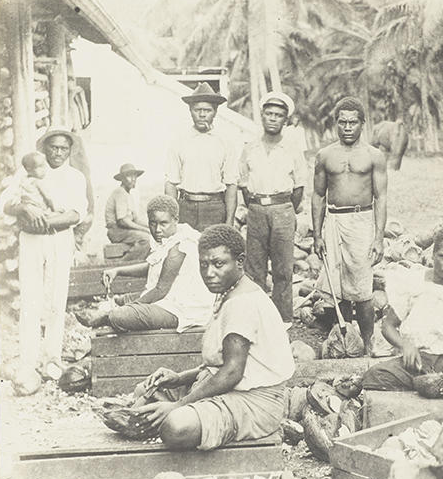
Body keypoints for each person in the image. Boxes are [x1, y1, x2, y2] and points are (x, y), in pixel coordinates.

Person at [129, 224, 296, 450]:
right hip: (232, 389)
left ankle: (179, 416)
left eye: (219, 264)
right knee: (144, 392)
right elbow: (221, 364)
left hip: (255, 403)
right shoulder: (228, 291)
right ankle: (173, 412)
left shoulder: (241, 303)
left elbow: (232, 372)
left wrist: (178, 405)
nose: (209, 273)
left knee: (175, 427)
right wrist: (179, 378)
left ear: (240, 261)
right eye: (203, 264)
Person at [0, 126, 88, 379]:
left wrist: (48, 220)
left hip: (58, 239)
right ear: (44, 148)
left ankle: (52, 359)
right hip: (31, 240)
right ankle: (28, 360)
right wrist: (25, 208)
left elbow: (77, 213)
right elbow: (3, 204)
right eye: (53, 147)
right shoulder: (26, 173)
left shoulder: (75, 176)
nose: (58, 153)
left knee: (56, 299)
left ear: (70, 150)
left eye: (63, 148)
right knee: (30, 297)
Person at [361, 226, 443, 400]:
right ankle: (429, 383)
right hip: (419, 359)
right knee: (373, 376)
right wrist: (405, 345)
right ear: (433, 254)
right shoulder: (412, 283)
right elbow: (388, 326)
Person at [312, 97, 388, 356]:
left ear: (362, 124)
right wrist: (317, 234)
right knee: (340, 288)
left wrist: (379, 237)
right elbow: (318, 195)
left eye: (352, 122)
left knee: (363, 288)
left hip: (361, 220)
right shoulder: (325, 155)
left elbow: (381, 198)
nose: (347, 127)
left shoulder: (373, 156)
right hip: (334, 220)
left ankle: (368, 343)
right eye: (342, 122)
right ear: (336, 123)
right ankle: (346, 342)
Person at [75, 195, 214, 333]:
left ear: (175, 220)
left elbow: (160, 290)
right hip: (169, 297)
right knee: (123, 299)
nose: (158, 229)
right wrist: (117, 271)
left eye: (163, 223)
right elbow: (154, 266)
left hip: (182, 308)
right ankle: (111, 308)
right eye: (153, 223)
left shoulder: (179, 245)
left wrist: (127, 309)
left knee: (120, 315)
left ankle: (107, 317)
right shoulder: (167, 237)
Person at [239, 92, 307, 326]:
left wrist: (284, 207)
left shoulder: (292, 150)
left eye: (278, 115)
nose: (273, 119)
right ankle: (257, 319)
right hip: (257, 210)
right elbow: (243, 184)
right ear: (262, 117)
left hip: (283, 210)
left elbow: (299, 187)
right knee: (255, 267)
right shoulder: (250, 148)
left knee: (282, 268)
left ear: (285, 122)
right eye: (269, 114)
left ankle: (282, 320)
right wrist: (258, 206)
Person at [164, 82, 239, 231]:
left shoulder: (225, 143)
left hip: (215, 208)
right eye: (198, 110)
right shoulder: (179, 142)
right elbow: (171, 184)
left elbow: (231, 185)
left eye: (207, 110)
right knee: (185, 250)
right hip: (185, 208)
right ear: (190, 111)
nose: (202, 114)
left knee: (214, 252)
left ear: (215, 112)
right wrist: (172, 217)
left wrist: (229, 221)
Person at [104, 163, 151, 262]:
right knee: (146, 239)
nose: (133, 179)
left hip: (124, 231)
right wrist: (144, 230)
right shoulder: (120, 193)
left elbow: (136, 219)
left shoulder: (128, 195)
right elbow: (122, 221)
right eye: (129, 176)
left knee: (151, 236)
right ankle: (124, 263)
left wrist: (150, 227)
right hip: (116, 231)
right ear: (122, 179)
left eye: (135, 176)